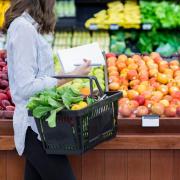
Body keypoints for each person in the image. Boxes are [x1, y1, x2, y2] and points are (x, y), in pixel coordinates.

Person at [3, 0, 91, 180]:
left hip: (41, 126)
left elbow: (36, 77)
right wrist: (69, 77)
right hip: (34, 129)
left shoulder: (28, 26)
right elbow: (26, 86)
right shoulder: (23, 29)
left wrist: (63, 74)